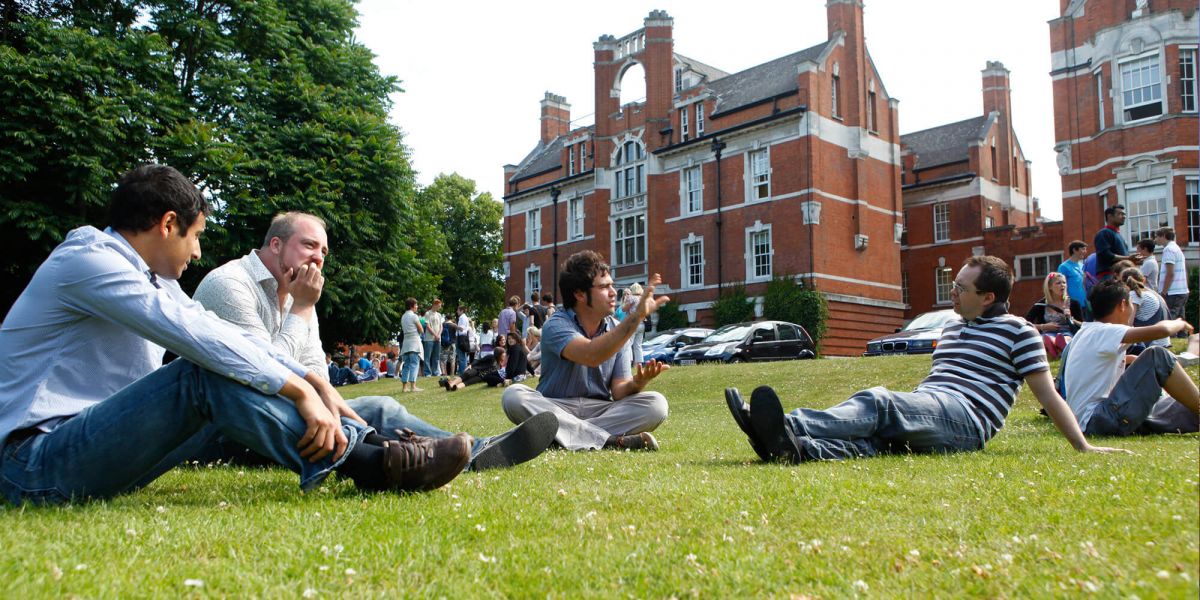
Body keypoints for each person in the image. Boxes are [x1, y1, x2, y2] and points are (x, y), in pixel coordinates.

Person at [0, 165, 477, 504]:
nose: (199, 249)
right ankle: (367, 465)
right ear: (169, 224)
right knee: (202, 373)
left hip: (97, 447)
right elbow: (196, 337)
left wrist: (312, 385)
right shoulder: (89, 262)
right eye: (195, 234)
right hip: (32, 462)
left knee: (231, 369)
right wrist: (296, 387)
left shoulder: (152, 280)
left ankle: (385, 446)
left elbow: (217, 332)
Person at [193, 211, 557, 472]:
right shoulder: (231, 285)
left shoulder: (297, 296)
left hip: (279, 413)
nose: (319, 258)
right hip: (231, 427)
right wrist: (302, 308)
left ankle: (473, 452)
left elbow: (316, 370)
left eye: (323, 252)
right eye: (309, 246)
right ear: (276, 244)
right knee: (371, 413)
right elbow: (262, 373)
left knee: (374, 408)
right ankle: (454, 455)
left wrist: (335, 408)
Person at [725, 255, 1130, 463]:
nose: (952, 293)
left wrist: (1082, 446)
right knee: (874, 443)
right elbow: (937, 388)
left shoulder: (1019, 332)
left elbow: (1048, 395)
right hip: (933, 407)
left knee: (880, 400)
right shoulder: (952, 327)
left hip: (967, 422)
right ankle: (792, 447)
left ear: (988, 297)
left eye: (960, 288)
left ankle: (783, 424)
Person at [501, 251, 670, 451]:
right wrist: (635, 318)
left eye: (612, 285)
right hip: (555, 406)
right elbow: (591, 355)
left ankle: (558, 437)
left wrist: (638, 383)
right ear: (580, 294)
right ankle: (608, 441)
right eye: (604, 286)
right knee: (513, 396)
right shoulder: (556, 324)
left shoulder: (618, 330)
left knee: (656, 405)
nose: (613, 292)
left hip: (599, 409)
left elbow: (618, 390)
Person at [1062, 279, 1198, 435]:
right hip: (1099, 419)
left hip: (1097, 419)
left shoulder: (1086, 332)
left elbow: (1091, 366)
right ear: (1122, 305)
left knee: (1180, 406)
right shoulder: (1104, 331)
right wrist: (1180, 323)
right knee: (1157, 355)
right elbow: (1164, 330)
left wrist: (1131, 360)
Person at [1024, 272, 1082, 359]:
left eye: (1064, 282)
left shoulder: (1073, 303)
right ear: (1050, 287)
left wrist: (1071, 319)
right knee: (1045, 338)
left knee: (1066, 338)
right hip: (1047, 333)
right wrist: (1044, 326)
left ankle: (1057, 347)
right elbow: (1025, 324)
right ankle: (1056, 348)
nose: (1062, 285)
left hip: (1066, 332)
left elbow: (1082, 325)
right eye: (1058, 283)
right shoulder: (1041, 304)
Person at [1119, 267, 1171, 350]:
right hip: (1163, 341)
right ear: (1143, 280)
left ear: (1123, 283)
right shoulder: (1153, 293)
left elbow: (1128, 323)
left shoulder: (1134, 295)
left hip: (1151, 345)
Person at [1094, 204, 1139, 280]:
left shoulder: (1118, 235)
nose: (1124, 216)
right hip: (1109, 275)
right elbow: (1105, 255)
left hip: (1120, 274)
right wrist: (1128, 258)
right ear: (1109, 216)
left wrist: (1132, 260)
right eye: (1120, 214)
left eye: (1124, 214)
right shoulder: (1104, 233)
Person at [1155, 227, 1189, 327]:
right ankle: (1182, 338)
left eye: (1157, 236)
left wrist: (1164, 292)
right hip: (1181, 290)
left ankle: (1171, 338)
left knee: (1170, 319)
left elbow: (1170, 273)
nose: (1155, 239)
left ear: (1164, 236)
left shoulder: (1168, 250)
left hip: (1172, 291)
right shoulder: (1177, 248)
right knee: (1180, 319)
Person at [441, 347, 507, 391]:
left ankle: (455, 388)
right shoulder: (491, 357)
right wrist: (470, 365)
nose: (504, 356)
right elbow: (479, 360)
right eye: (503, 355)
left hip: (481, 377)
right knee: (466, 374)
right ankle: (451, 384)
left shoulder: (499, 366)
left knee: (469, 382)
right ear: (499, 355)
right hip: (477, 369)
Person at [1057, 240, 1089, 315]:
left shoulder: (1082, 265)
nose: (1085, 252)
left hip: (1086, 304)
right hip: (1073, 306)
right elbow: (1061, 287)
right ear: (1074, 250)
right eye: (1083, 249)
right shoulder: (1064, 267)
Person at [398, 298, 423, 392]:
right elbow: (421, 330)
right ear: (412, 306)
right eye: (416, 305)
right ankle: (413, 386)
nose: (417, 307)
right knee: (414, 364)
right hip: (414, 342)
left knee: (406, 365)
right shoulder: (414, 316)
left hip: (406, 343)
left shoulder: (403, 316)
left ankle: (404, 387)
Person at [422, 299, 445, 377]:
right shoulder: (428, 313)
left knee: (436, 357)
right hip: (429, 339)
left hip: (438, 339)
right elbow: (427, 326)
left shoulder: (439, 314)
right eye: (439, 306)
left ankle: (436, 372)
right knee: (427, 357)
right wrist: (435, 335)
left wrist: (438, 335)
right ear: (435, 305)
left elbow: (441, 326)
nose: (439, 307)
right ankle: (427, 373)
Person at [454, 305, 471, 375]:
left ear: (461, 310)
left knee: (461, 356)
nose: (457, 311)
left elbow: (461, 328)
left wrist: (454, 326)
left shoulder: (462, 317)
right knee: (463, 356)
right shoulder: (464, 317)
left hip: (461, 337)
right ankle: (463, 372)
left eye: (458, 310)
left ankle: (463, 373)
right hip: (463, 337)